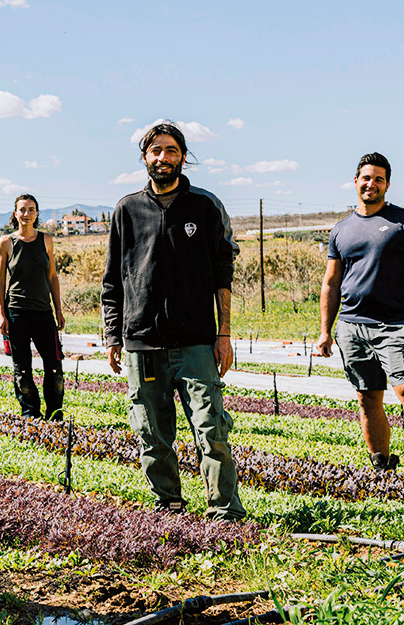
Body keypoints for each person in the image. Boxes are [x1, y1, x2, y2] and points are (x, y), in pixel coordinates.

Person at [101, 121, 244, 520]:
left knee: (211, 429)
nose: (162, 158)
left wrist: (224, 333)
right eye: (155, 151)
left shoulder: (204, 205)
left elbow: (222, 272)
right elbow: (113, 278)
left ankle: (224, 512)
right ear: (145, 157)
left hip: (196, 340)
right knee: (151, 434)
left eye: (171, 150)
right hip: (143, 342)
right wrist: (113, 335)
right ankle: (170, 504)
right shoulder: (127, 209)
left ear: (183, 156)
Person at [316, 152, 404, 479]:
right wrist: (325, 331)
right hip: (352, 327)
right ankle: (382, 469)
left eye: (379, 179)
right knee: (368, 398)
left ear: (387, 184)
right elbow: (331, 282)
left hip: (396, 325)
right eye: (367, 178)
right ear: (356, 181)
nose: (372, 184)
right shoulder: (341, 229)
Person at [0, 194, 65, 420]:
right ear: (15, 214)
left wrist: (59, 310)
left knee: (54, 368)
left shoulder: (46, 240)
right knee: (22, 370)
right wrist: (1, 315)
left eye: (31, 209)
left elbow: (52, 276)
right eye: (22, 210)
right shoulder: (6, 243)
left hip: (44, 313)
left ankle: (54, 415)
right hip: (16, 314)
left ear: (37, 213)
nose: (26, 214)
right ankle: (30, 415)